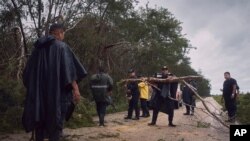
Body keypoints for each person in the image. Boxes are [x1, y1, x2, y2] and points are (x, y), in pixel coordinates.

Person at [22, 23, 87, 141]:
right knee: (56, 127)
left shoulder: (37, 49)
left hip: (39, 98)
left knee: (39, 125)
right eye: (63, 34)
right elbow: (70, 72)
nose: (63, 37)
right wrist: (76, 90)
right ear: (59, 33)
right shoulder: (62, 47)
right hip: (58, 97)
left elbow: (27, 75)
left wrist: (35, 92)